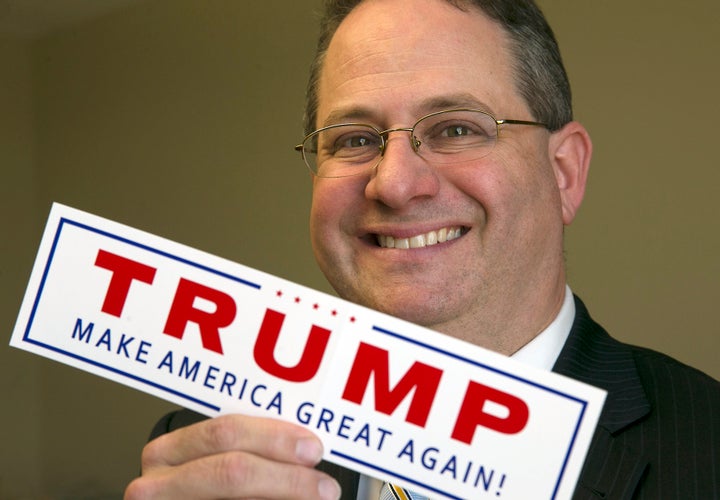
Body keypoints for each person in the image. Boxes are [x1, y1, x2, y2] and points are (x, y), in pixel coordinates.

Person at [124, 0, 720, 498]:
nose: (394, 183)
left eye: (455, 129)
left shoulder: (706, 446)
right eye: (354, 140)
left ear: (563, 172)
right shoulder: (209, 452)